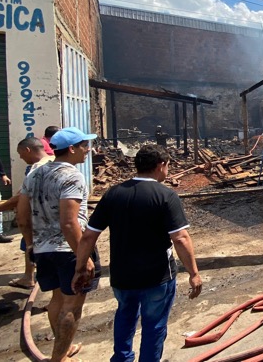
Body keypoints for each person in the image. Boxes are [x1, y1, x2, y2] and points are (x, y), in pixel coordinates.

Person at [72, 144, 202, 362]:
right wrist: (194, 273)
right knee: (154, 325)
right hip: (157, 276)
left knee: (125, 316)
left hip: (123, 276)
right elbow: (180, 238)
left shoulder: (113, 194)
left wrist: (79, 268)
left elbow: (88, 236)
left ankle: (122, 358)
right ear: (161, 166)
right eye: (168, 166)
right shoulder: (166, 196)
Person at [17, 127, 99, 362]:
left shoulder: (34, 174)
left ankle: (61, 349)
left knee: (57, 299)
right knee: (72, 305)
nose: (87, 150)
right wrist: (83, 257)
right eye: (84, 146)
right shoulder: (72, 175)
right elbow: (68, 221)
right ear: (71, 149)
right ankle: (59, 357)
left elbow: (22, 216)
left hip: (43, 249)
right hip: (68, 250)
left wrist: (31, 245)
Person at [0, 137, 54, 289]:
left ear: (27, 150)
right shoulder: (53, 160)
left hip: (39, 218)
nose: (20, 157)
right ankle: (29, 276)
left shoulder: (38, 168)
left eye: (20, 153)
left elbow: (21, 195)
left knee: (31, 246)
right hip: (49, 216)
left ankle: (32, 279)